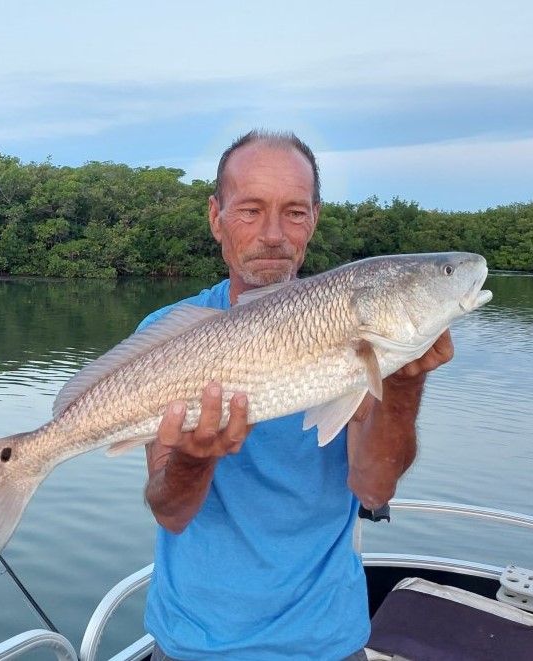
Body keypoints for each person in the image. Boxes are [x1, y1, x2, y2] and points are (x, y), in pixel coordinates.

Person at [138, 130, 454, 661]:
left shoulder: (359, 329)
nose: (273, 235)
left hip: (325, 642)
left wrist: (404, 383)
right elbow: (170, 512)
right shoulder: (170, 334)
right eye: (250, 210)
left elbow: (374, 491)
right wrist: (195, 460)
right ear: (215, 217)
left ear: (314, 219)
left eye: (294, 212)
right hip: (193, 643)